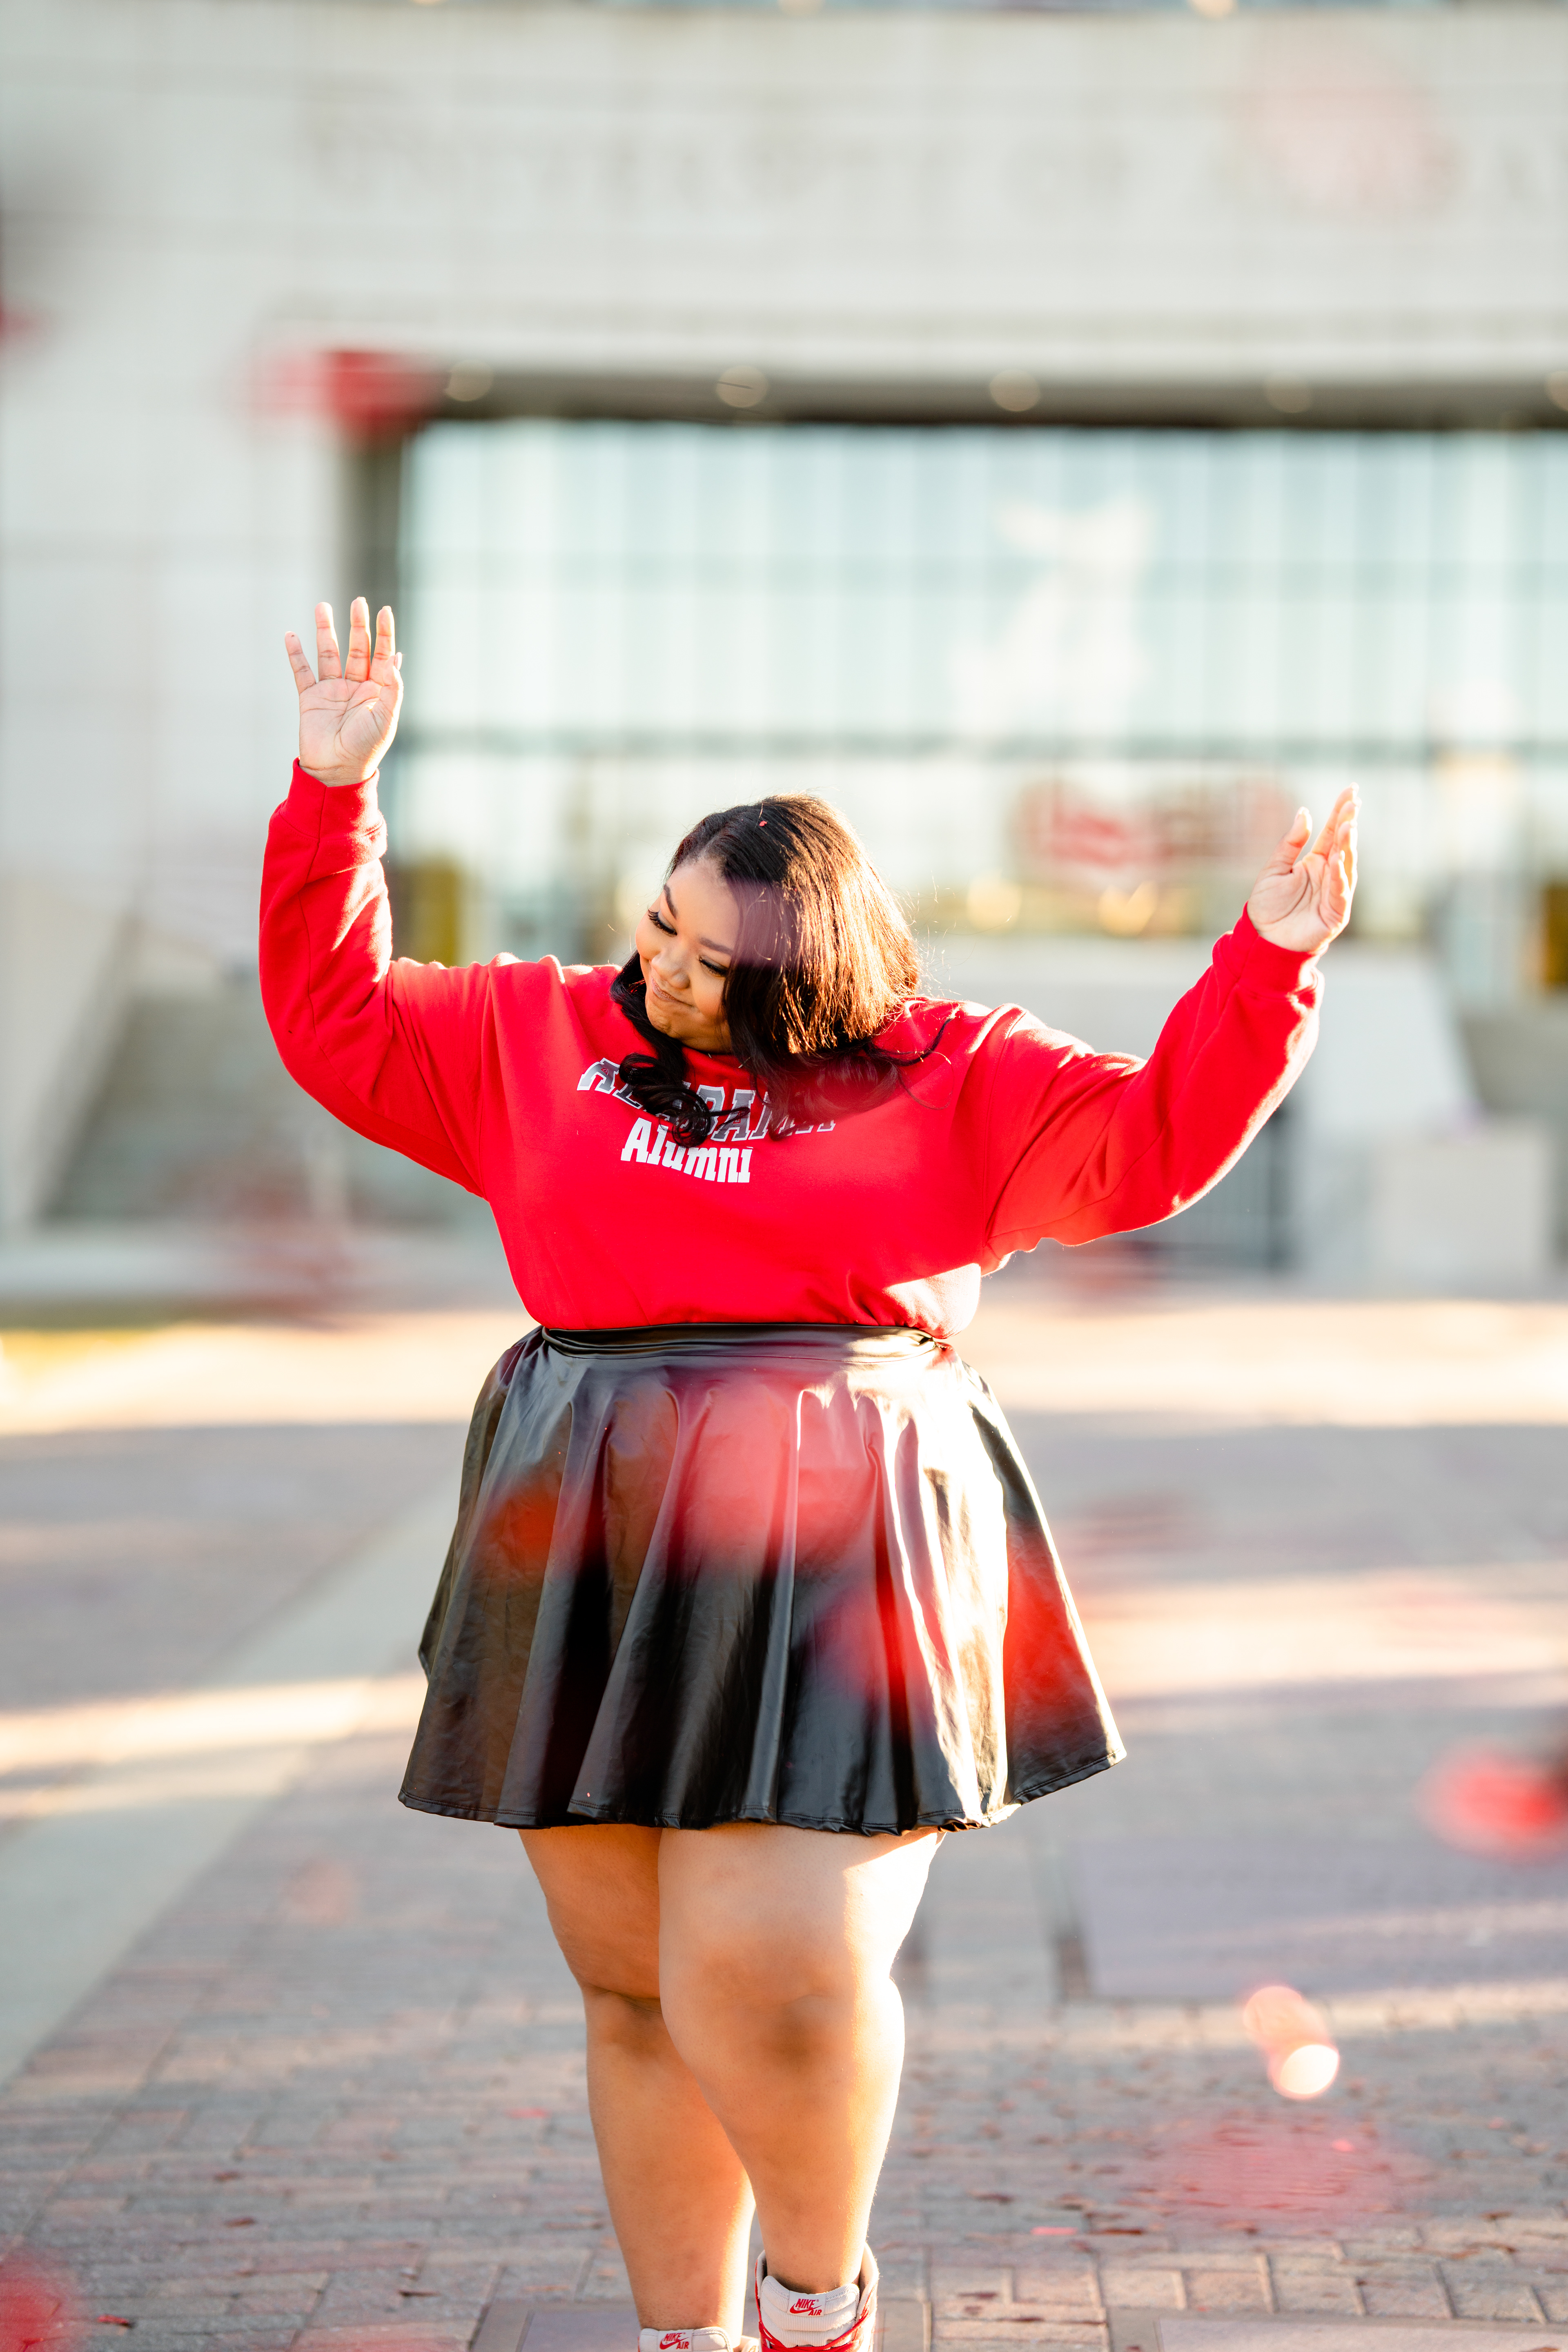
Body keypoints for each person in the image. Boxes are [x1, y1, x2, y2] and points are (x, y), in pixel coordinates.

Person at [262, 597, 1357, 2352]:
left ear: (809, 972)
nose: (661, 964)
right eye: (657, 921)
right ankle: (682, 2335)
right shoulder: (541, 1033)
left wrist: (1269, 958)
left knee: (776, 1985)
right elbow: (335, 1021)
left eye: (704, 951)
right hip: (593, 1511)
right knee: (633, 1991)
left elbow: (1153, 1141)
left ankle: (815, 2298)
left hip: (840, 1526)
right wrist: (333, 801)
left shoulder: (953, 1071)